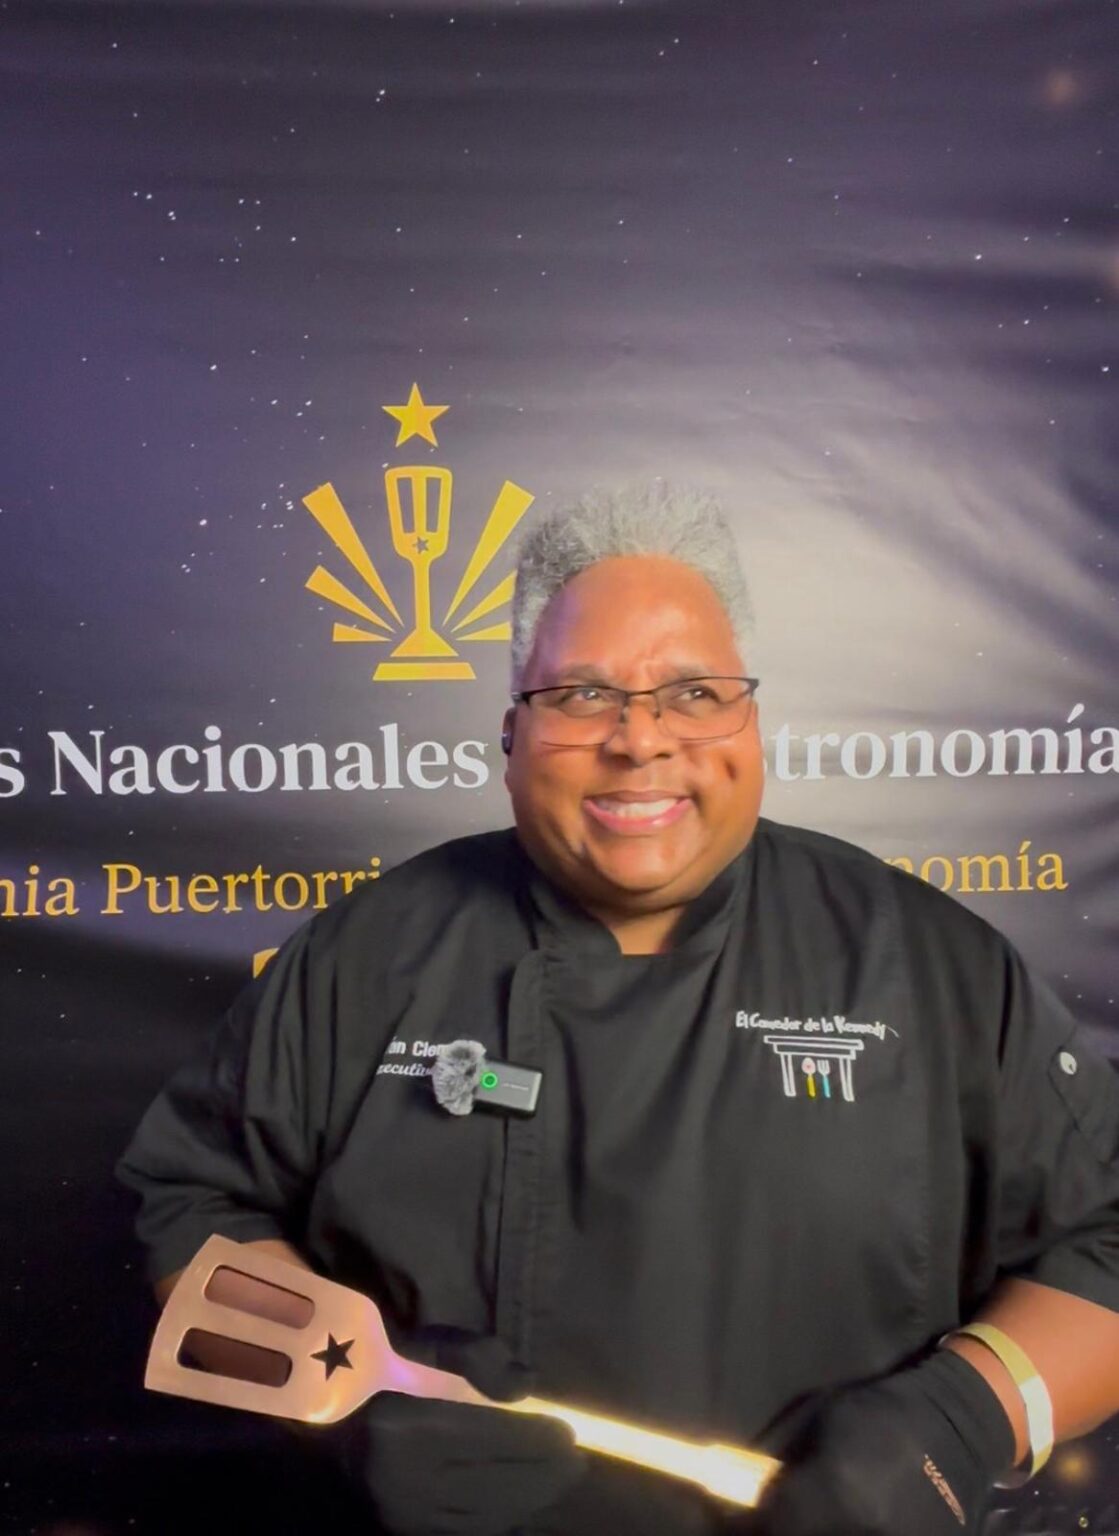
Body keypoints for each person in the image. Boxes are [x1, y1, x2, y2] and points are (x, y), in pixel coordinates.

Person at [116, 482, 1119, 1536]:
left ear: (751, 723)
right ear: (511, 733)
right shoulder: (363, 957)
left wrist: (962, 1418)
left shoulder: (930, 962)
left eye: (695, 692)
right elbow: (195, 1206)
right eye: (583, 694)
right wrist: (348, 1401)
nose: (640, 741)